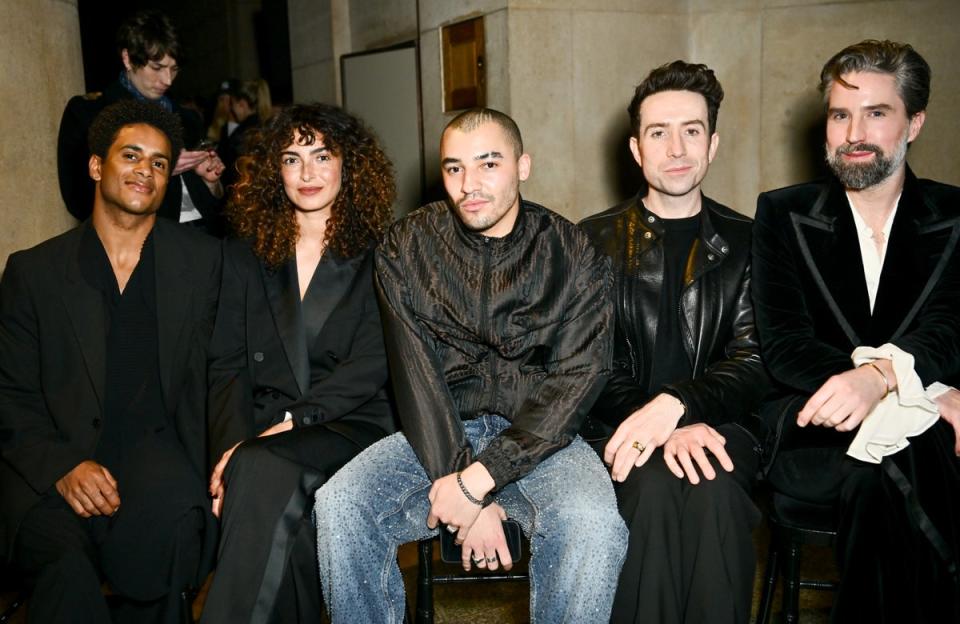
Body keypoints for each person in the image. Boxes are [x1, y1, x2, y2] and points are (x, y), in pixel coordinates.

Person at [313, 108, 627, 623]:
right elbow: (416, 378)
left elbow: (578, 380)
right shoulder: (406, 246)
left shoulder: (575, 252)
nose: (469, 185)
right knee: (340, 504)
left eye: (488, 164)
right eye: (454, 168)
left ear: (522, 166)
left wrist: (479, 480)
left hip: (541, 436)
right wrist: (465, 489)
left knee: (593, 523)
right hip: (437, 429)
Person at [753, 39, 960, 622]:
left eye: (877, 113)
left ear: (914, 123)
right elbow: (787, 345)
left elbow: (950, 327)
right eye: (841, 114)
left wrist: (888, 380)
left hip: (926, 435)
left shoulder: (954, 217)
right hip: (814, 423)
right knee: (905, 463)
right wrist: (899, 381)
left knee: (886, 475)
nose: (854, 133)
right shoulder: (782, 213)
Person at [0, 100, 221, 624]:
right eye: (131, 155)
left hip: (154, 461)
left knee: (171, 531)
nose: (145, 170)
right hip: (49, 470)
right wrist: (62, 466)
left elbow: (224, 375)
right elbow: (9, 394)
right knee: (66, 574)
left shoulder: (204, 264)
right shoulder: (33, 273)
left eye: (160, 162)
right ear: (97, 165)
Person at [579, 61, 768, 624]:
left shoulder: (751, 241)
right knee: (654, 489)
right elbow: (591, 365)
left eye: (692, 130)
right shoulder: (591, 241)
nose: (677, 147)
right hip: (621, 426)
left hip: (726, 425)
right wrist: (655, 422)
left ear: (713, 143)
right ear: (637, 149)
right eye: (659, 132)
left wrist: (682, 410)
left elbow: (754, 362)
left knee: (712, 487)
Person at [200, 104, 397, 623]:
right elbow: (226, 367)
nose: (307, 173)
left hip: (349, 424)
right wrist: (228, 456)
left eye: (321, 156)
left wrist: (284, 427)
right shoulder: (244, 255)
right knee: (287, 517)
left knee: (262, 469)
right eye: (291, 159)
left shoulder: (385, 254)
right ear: (275, 171)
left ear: (349, 164)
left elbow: (373, 365)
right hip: (266, 433)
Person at [57, 9, 226, 235]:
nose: (167, 80)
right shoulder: (89, 113)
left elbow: (210, 206)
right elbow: (78, 198)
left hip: (203, 241)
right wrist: (159, 169)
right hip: (143, 245)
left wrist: (210, 182)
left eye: (173, 69)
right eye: (156, 68)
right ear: (128, 59)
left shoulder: (188, 119)